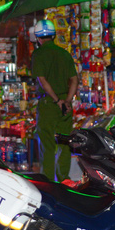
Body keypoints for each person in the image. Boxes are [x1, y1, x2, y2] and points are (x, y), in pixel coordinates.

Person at [31, 19, 78, 181]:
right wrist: (67, 100)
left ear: (38, 38)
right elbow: (74, 80)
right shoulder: (64, 54)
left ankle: (48, 182)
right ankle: (64, 180)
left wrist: (56, 100)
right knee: (64, 143)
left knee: (47, 145)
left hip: (48, 104)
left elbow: (42, 80)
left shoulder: (38, 54)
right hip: (65, 104)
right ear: (53, 36)